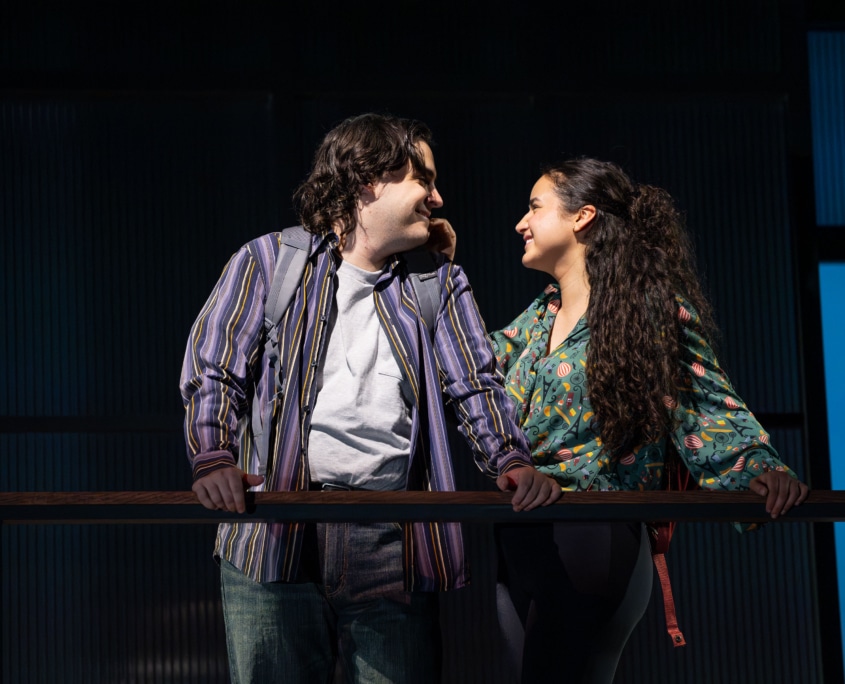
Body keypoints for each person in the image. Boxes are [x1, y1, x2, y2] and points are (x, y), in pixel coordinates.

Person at [179, 113, 561, 684]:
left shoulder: (438, 281)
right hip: (275, 535)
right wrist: (213, 458)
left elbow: (475, 382)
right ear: (366, 179)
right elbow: (214, 369)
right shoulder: (268, 262)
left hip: (391, 539)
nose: (437, 197)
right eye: (422, 179)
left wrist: (510, 459)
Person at [461, 157, 807, 684]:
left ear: (583, 217)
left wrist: (755, 466)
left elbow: (704, 401)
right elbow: (468, 370)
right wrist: (439, 283)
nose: (520, 223)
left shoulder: (646, 309)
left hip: (592, 534)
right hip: (521, 537)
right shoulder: (540, 316)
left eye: (534, 207)